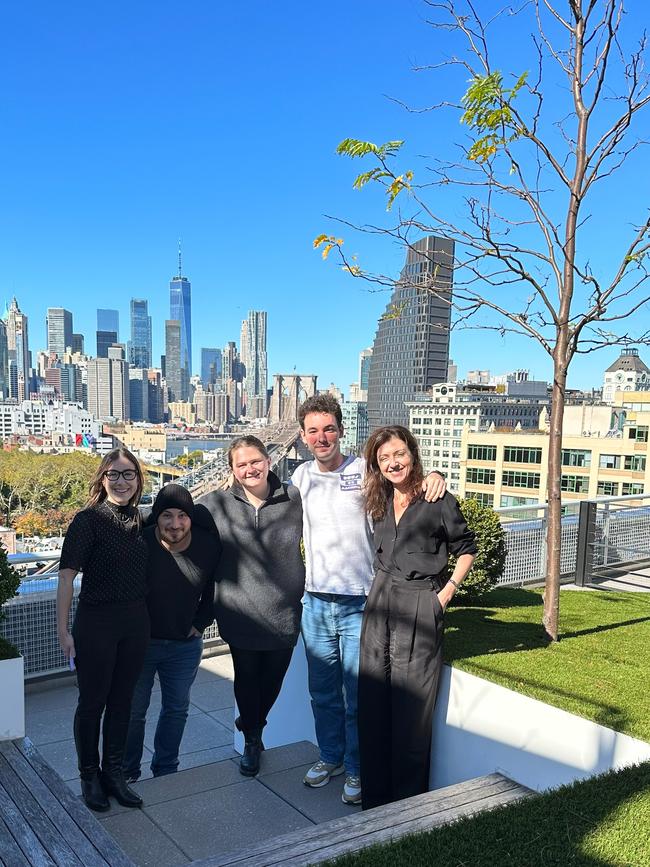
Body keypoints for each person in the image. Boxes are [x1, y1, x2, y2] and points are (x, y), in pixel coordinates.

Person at [292, 394, 446, 806]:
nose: (321, 437)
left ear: (341, 430)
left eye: (328, 428)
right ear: (303, 437)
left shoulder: (364, 471)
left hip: (362, 602)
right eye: (313, 431)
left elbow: (404, 480)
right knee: (321, 691)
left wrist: (436, 473)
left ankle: (359, 769)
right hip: (315, 603)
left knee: (357, 696)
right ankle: (331, 758)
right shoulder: (300, 477)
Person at [358, 426, 477, 810]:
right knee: (374, 703)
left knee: (412, 713)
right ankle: (374, 804)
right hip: (379, 602)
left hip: (419, 602)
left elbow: (466, 548)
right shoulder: (377, 500)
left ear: (412, 452)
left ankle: (405, 809)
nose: (393, 463)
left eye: (399, 454)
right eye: (384, 458)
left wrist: (445, 594)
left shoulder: (436, 497)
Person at [198, 435, 304, 777]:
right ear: (232, 470)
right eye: (241, 464)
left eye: (255, 461)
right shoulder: (214, 504)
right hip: (238, 609)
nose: (250, 469)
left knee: (274, 678)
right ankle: (252, 743)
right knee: (246, 675)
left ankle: (250, 720)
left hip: (285, 611)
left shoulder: (294, 498)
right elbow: (170, 521)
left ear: (268, 461)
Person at [57, 447, 149, 812]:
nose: (122, 481)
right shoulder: (88, 520)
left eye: (129, 474)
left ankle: (114, 774)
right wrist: (63, 632)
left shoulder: (143, 521)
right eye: (114, 474)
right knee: (92, 703)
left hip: (135, 622)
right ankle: (89, 776)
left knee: (123, 702)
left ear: (138, 480)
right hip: (96, 622)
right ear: (102, 478)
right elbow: (66, 578)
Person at [123, 484, 219, 782]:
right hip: (141, 644)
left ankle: (166, 770)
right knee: (133, 711)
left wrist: (200, 623)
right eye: (167, 515)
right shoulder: (140, 543)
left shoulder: (208, 545)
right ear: (157, 516)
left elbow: (217, 589)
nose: (175, 524)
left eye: (182, 516)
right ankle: (127, 772)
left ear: (191, 518)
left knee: (176, 709)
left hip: (184, 645)